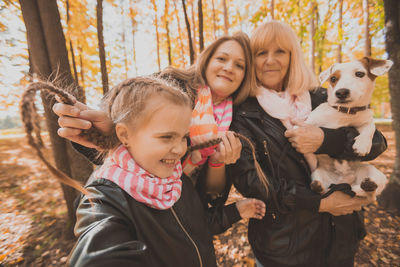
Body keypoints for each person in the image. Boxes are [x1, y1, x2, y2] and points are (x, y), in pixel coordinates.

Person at [226, 21, 387, 267]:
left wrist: (325, 139)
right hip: (285, 247)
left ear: (292, 57)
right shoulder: (242, 114)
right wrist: (319, 203)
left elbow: (376, 143)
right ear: (251, 60)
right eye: (261, 53)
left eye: (280, 51)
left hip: (340, 238)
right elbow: (252, 183)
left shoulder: (321, 95)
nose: (270, 60)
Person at [68, 76, 266, 266]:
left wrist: (236, 211)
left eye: (183, 137)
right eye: (166, 137)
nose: (180, 149)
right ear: (124, 134)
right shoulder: (104, 198)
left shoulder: (176, 178)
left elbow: (194, 227)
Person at [53, 32, 258, 209]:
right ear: (207, 60)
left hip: (184, 213)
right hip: (128, 198)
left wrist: (217, 162)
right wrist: (104, 131)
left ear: (245, 76)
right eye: (222, 59)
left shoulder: (238, 121)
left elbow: (213, 194)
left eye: (239, 65)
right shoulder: (169, 84)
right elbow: (122, 132)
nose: (229, 67)